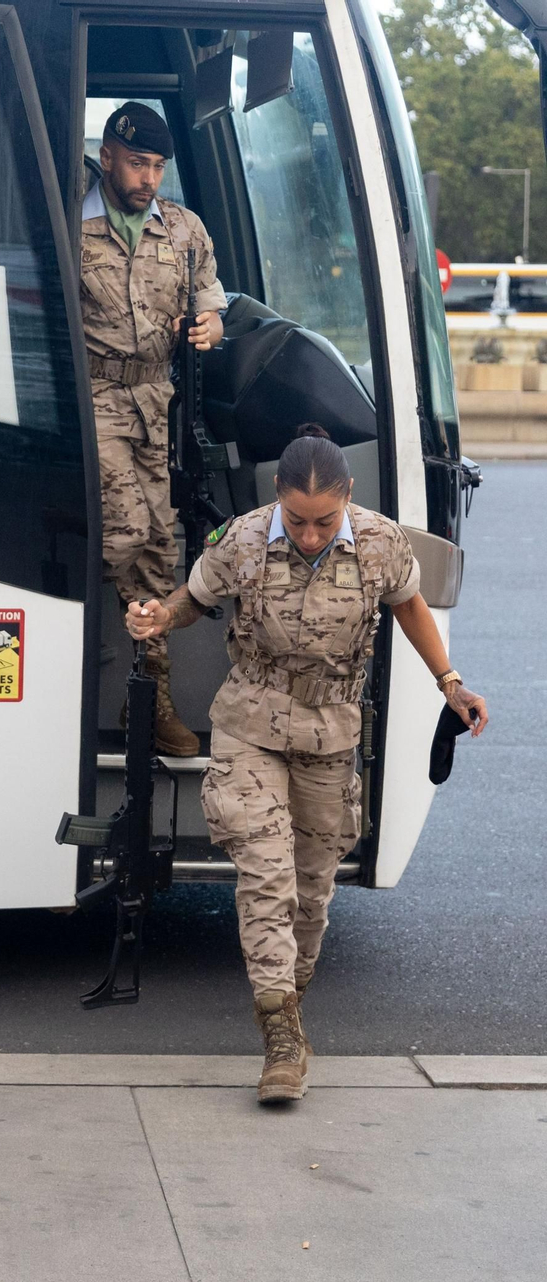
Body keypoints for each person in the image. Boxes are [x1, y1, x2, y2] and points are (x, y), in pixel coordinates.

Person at [125, 425, 489, 1104]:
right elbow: (192, 600)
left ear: (347, 496)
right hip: (251, 724)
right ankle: (281, 1038)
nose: (312, 534)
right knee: (265, 874)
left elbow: (409, 603)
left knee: (312, 891)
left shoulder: (380, 542)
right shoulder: (241, 539)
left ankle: (289, 1003)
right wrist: (156, 616)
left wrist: (450, 682)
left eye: (324, 521)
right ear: (277, 498)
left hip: (331, 732)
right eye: (298, 520)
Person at [81, 101, 225, 756]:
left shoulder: (184, 229)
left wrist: (208, 325)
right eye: (137, 163)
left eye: (157, 167)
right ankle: (62, 667)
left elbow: (211, 299)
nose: (148, 179)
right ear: (107, 155)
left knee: (159, 551)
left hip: (153, 399)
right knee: (126, 532)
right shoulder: (71, 223)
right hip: (94, 392)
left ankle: (149, 701)